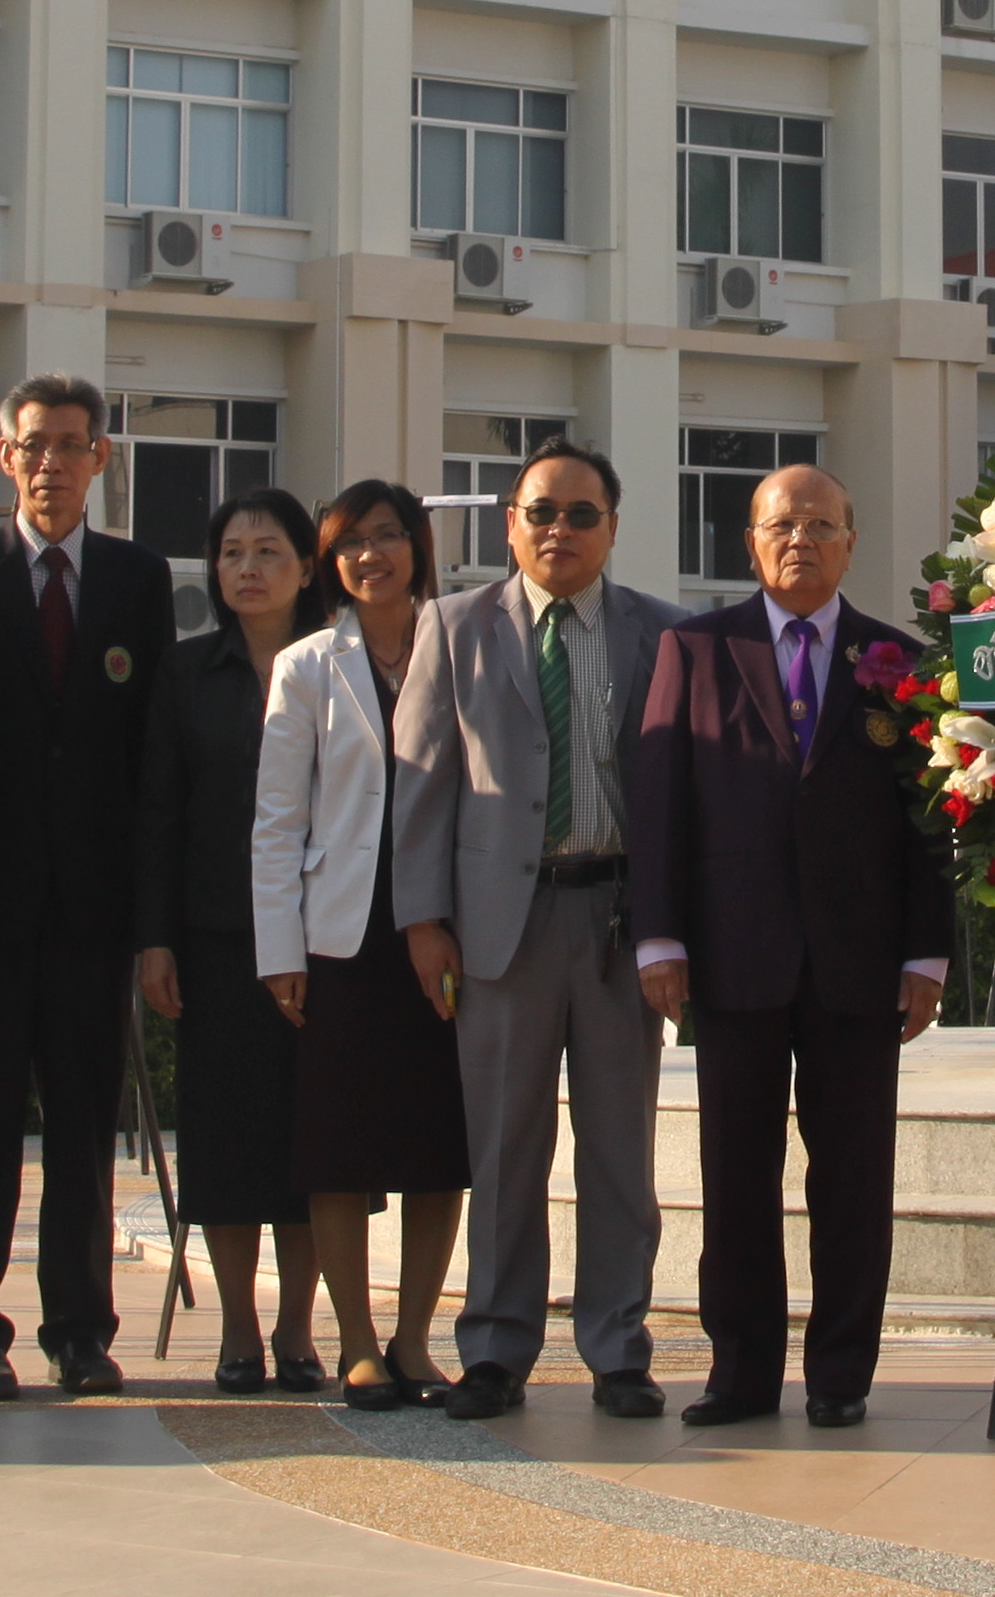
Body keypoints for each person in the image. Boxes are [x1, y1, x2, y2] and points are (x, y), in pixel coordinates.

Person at [628, 464, 950, 1430]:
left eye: (820, 525)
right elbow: (661, 801)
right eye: (781, 525)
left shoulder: (899, 660)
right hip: (735, 953)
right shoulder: (695, 649)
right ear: (750, 543)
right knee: (736, 1175)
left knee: (852, 1176)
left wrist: (926, 954)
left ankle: (842, 1374)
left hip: (861, 959)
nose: (800, 540)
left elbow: (931, 817)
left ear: (851, 542)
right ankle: (741, 1374)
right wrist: (659, 934)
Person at [393, 440, 676, 1422]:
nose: (560, 530)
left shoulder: (660, 633)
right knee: (506, 1149)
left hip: (617, 921)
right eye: (541, 512)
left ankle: (619, 1348)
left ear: (612, 527)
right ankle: (495, 1348)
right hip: (498, 927)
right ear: (511, 524)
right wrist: (423, 920)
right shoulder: (452, 627)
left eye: (581, 514)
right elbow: (421, 783)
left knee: (618, 1151)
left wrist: (673, 932)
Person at [0, 375, 176, 1399]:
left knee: (82, 1130)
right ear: (5, 456)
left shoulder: (136, 579)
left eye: (72, 445)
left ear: (101, 458)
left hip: (91, 910)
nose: (52, 464)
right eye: (34, 445)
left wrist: (149, 921)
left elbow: (151, 756)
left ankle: (79, 1330)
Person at [255, 479, 468, 1411]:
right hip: (339, 937)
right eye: (350, 543)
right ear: (329, 562)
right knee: (337, 1147)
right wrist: (279, 949)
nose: (371, 556)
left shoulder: (459, 645)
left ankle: (415, 1340)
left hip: (445, 930)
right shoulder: (307, 664)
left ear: (418, 546)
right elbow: (277, 817)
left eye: (388, 537)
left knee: (437, 1143)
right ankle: (355, 1344)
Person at [134, 484, 324, 1392]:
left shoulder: (339, 664)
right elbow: (157, 812)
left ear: (308, 568)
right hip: (216, 938)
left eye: (268, 551)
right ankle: (240, 1330)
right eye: (232, 554)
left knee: (311, 1143)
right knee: (225, 1141)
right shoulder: (185, 673)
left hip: (325, 942)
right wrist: (155, 938)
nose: (248, 569)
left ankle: (298, 1330)